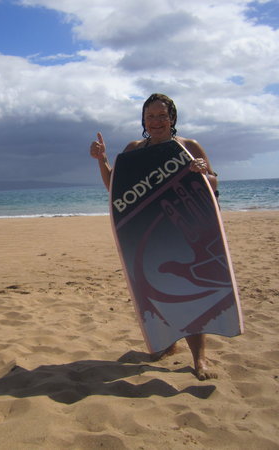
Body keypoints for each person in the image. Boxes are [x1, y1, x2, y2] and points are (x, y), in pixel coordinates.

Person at [89, 93, 218, 380]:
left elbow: (213, 181)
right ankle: (168, 345)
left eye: (162, 115)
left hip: (184, 232)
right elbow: (115, 186)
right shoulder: (134, 148)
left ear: (172, 117)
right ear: (143, 120)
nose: (156, 121)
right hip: (149, 232)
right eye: (151, 116)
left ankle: (200, 359)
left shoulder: (188, 146)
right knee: (157, 291)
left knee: (189, 294)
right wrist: (102, 160)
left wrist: (201, 173)